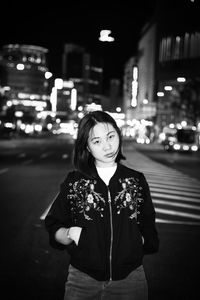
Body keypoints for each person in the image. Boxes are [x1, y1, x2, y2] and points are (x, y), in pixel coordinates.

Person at [45, 110, 159, 300]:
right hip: (82, 281)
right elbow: (53, 224)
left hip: (130, 281)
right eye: (97, 141)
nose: (107, 146)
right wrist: (69, 233)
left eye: (111, 137)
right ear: (88, 147)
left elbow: (148, 227)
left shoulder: (135, 180)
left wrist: (137, 242)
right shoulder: (75, 182)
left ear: (118, 134)